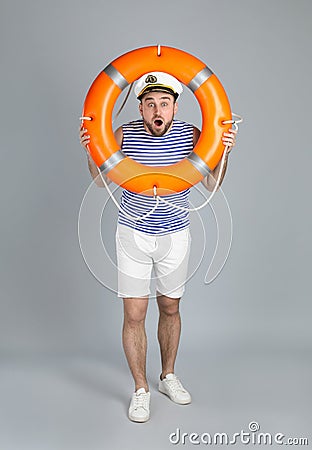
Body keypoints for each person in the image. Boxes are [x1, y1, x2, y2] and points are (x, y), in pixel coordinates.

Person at [79, 72, 237, 423]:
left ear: (175, 106)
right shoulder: (123, 135)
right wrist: (91, 148)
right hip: (132, 234)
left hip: (176, 234)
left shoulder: (193, 136)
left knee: (169, 306)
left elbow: (211, 183)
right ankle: (140, 389)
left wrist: (223, 152)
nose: (157, 109)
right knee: (134, 314)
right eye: (150, 103)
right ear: (140, 108)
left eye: (164, 103)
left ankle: (167, 376)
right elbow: (100, 180)